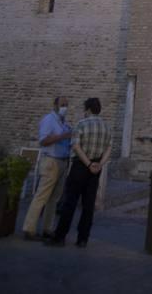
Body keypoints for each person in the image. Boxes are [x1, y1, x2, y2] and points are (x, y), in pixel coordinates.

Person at [46, 97, 111, 248]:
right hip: (96, 168)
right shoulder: (106, 127)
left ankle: (60, 236)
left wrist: (87, 163)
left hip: (80, 166)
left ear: (88, 109)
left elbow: (75, 146)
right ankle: (83, 239)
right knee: (88, 205)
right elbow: (109, 148)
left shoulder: (81, 124)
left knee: (70, 202)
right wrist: (99, 164)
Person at [22, 95, 72, 241]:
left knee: (54, 198)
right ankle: (29, 228)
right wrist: (63, 136)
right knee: (41, 196)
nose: (65, 107)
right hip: (51, 161)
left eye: (67, 105)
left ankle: (47, 228)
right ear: (55, 105)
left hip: (62, 161)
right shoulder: (48, 120)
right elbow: (43, 140)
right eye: (63, 104)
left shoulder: (63, 122)